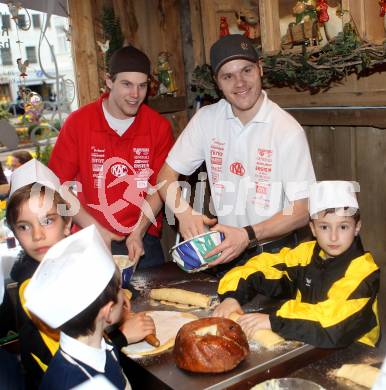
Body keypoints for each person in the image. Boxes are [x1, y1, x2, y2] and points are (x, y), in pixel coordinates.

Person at [157, 34, 315, 272]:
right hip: (226, 251)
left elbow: (302, 211)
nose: (239, 83)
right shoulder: (206, 120)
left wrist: (248, 235)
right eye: (228, 76)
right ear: (217, 82)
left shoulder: (286, 129)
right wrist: (184, 214)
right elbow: (165, 176)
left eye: (247, 70)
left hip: (276, 256)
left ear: (260, 68)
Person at [7, 159, 155, 388]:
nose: (37, 235)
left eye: (47, 220)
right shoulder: (34, 292)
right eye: (24, 226)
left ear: (68, 223)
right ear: (15, 233)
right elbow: (74, 355)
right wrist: (123, 335)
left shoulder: (70, 261)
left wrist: (116, 295)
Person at [48, 45, 174, 268]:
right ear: (109, 81)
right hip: (89, 235)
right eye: (126, 84)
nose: (135, 95)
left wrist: (137, 232)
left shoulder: (158, 127)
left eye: (142, 86)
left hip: (143, 239)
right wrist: (96, 230)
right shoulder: (78, 123)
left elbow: (160, 187)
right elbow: (58, 186)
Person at [214, 181, 380, 349]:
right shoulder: (304, 255)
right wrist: (232, 296)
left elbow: (334, 321)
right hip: (305, 338)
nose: (334, 237)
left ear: (357, 227)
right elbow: (260, 267)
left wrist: (275, 320)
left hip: (354, 351)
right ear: (313, 229)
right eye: (324, 227)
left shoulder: (364, 271)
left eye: (343, 227)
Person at [24, 225, 130, 389]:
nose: (123, 293)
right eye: (119, 288)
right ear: (108, 311)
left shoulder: (101, 347)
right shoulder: (77, 383)